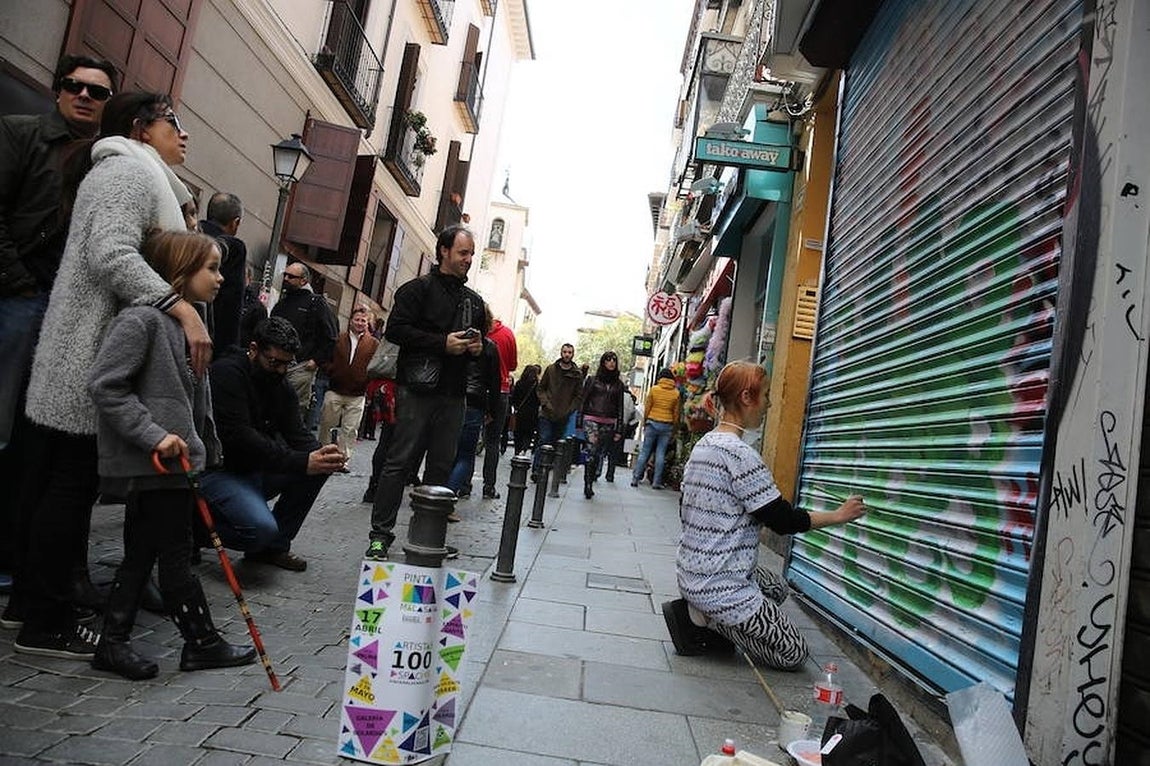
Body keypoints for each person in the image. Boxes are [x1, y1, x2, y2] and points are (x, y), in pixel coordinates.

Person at [15, 90, 211, 659]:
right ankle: (43, 621)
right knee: (69, 488)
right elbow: (112, 255)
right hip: (89, 355)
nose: (185, 134)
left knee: (67, 486)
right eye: (174, 122)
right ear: (141, 128)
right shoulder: (124, 173)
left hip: (101, 352)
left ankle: (34, 606)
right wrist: (181, 307)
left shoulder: (146, 179)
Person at [86, 229, 256, 680]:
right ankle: (201, 642)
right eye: (212, 269)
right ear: (180, 271)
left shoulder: (189, 324)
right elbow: (106, 385)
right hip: (157, 462)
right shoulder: (141, 321)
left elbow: (195, 403)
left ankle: (115, 642)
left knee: (143, 552)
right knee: (175, 554)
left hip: (177, 465)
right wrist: (154, 435)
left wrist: (204, 448)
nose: (221, 279)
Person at [0, 53, 118, 621]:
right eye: (75, 86)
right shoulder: (23, 135)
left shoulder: (105, 158)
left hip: (64, 310)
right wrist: (20, 285)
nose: (84, 96)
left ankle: (29, 566)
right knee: (7, 432)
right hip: (23, 299)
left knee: (39, 445)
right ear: (57, 91)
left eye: (97, 91)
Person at [664, 360, 866, 668]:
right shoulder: (740, 455)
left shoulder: (705, 443)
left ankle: (705, 610)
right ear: (747, 397)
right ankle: (708, 619)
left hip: (693, 570)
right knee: (793, 653)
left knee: (776, 588)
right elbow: (784, 521)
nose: (770, 404)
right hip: (720, 584)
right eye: (767, 395)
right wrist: (840, 515)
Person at [366, 224, 487, 561]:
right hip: (416, 390)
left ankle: (428, 536)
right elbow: (397, 331)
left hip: (454, 394)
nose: (468, 259)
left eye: (471, 254)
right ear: (444, 251)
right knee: (399, 462)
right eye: (463, 253)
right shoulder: (415, 290)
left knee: (441, 466)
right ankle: (380, 537)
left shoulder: (473, 301)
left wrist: (477, 347)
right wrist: (440, 343)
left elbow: (483, 346)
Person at [196, 317, 346, 571]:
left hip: (256, 469)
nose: (280, 370)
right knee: (259, 530)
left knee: (318, 466)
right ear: (254, 349)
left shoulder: (280, 383)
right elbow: (240, 438)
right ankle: (193, 530)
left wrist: (324, 455)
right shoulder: (227, 373)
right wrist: (302, 460)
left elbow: (297, 433)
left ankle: (272, 548)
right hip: (221, 470)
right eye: (274, 362)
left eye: (286, 364)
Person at [270, 262, 337, 422]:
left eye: (291, 276)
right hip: (276, 363)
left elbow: (330, 336)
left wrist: (316, 360)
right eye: (285, 275)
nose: (286, 279)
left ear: (303, 281)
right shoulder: (282, 303)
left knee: (293, 408)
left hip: (301, 365)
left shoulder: (316, 303)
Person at [446, 311, 500, 504]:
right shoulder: (490, 347)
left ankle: (440, 493)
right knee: (465, 455)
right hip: (475, 403)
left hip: (453, 398)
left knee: (446, 451)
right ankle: (449, 494)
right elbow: (494, 383)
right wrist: (492, 411)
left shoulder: (455, 341)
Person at [319, 306, 378, 462]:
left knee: (350, 429)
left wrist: (367, 379)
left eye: (363, 321)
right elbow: (325, 358)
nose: (359, 323)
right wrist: (332, 370)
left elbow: (375, 366)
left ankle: (343, 459)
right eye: (357, 319)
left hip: (357, 393)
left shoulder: (373, 344)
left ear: (368, 323)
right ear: (351, 321)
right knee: (327, 423)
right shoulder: (338, 338)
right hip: (335, 389)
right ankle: (324, 453)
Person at [198, 192, 247, 351]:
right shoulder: (234, 248)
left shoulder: (188, 236)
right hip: (211, 340)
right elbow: (230, 306)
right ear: (236, 222)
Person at [577, 351, 624, 499]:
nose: (611, 363)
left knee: (598, 454)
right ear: (603, 362)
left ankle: (592, 478)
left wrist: (619, 429)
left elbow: (620, 407)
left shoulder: (619, 384)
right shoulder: (592, 380)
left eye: (614, 360)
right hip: (591, 419)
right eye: (608, 360)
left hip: (608, 422)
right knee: (591, 451)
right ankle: (587, 485)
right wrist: (579, 420)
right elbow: (583, 400)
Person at [480, 312, 517, 499]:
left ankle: (461, 483)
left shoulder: (476, 332)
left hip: (475, 389)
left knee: (465, 439)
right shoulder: (508, 334)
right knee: (493, 441)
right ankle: (489, 486)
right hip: (500, 390)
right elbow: (512, 365)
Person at [534, 343, 583, 477]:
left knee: (556, 442)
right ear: (561, 353)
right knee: (544, 439)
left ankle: (546, 469)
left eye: (569, 352)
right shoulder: (551, 370)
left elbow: (578, 396)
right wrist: (545, 403)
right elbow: (541, 388)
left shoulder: (576, 374)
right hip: (547, 412)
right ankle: (537, 469)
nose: (567, 354)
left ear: (573, 354)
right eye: (565, 352)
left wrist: (570, 409)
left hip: (563, 414)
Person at [631, 369, 681, 489]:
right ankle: (656, 482)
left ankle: (636, 478)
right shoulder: (676, 393)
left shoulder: (654, 389)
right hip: (667, 425)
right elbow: (676, 414)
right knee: (661, 453)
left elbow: (647, 407)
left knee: (645, 451)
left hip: (652, 423)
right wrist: (674, 429)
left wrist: (645, 423)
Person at [606, 389, 639, 483]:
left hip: (608, 423)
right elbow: (632, 412)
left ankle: (597, 471)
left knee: (602, 448)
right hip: (622, 425)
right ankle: (610, 474)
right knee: (614, 451)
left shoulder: (612, 392)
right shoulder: (629, 398)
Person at [510, 364, 541, 454]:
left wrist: (516, 407)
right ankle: (524, 449)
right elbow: (539, 400)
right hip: (532, 413)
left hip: (520, 412)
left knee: (518, 433)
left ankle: (517, 450)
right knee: (528, 433)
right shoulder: (536, 385)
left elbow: (514, 398)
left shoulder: (519, 383)